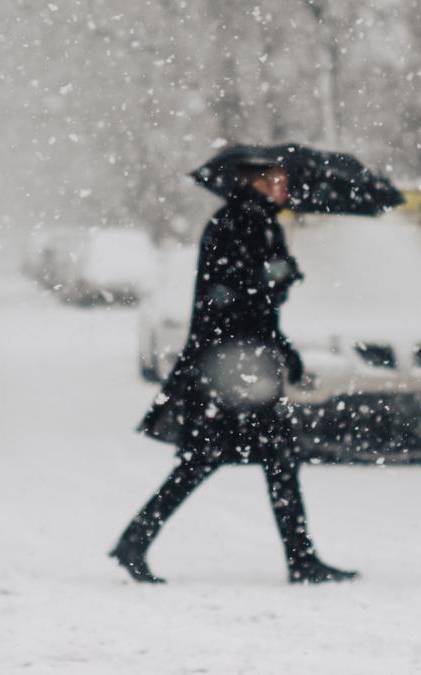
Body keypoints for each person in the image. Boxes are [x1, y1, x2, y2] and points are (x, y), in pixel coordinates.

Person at [110, 160, 358, 585]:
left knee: (232, 459)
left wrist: (279, 314)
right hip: (230, 363)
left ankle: (137, 540)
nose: (283, 187)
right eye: (275, 180)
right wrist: (273, 279)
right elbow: (227, 296)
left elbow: (255, 301)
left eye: (283, 179)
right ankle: (300, 560)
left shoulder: (261, 224)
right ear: (253, 182)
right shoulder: (233, 224)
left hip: (243, 359)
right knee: (253, 458)